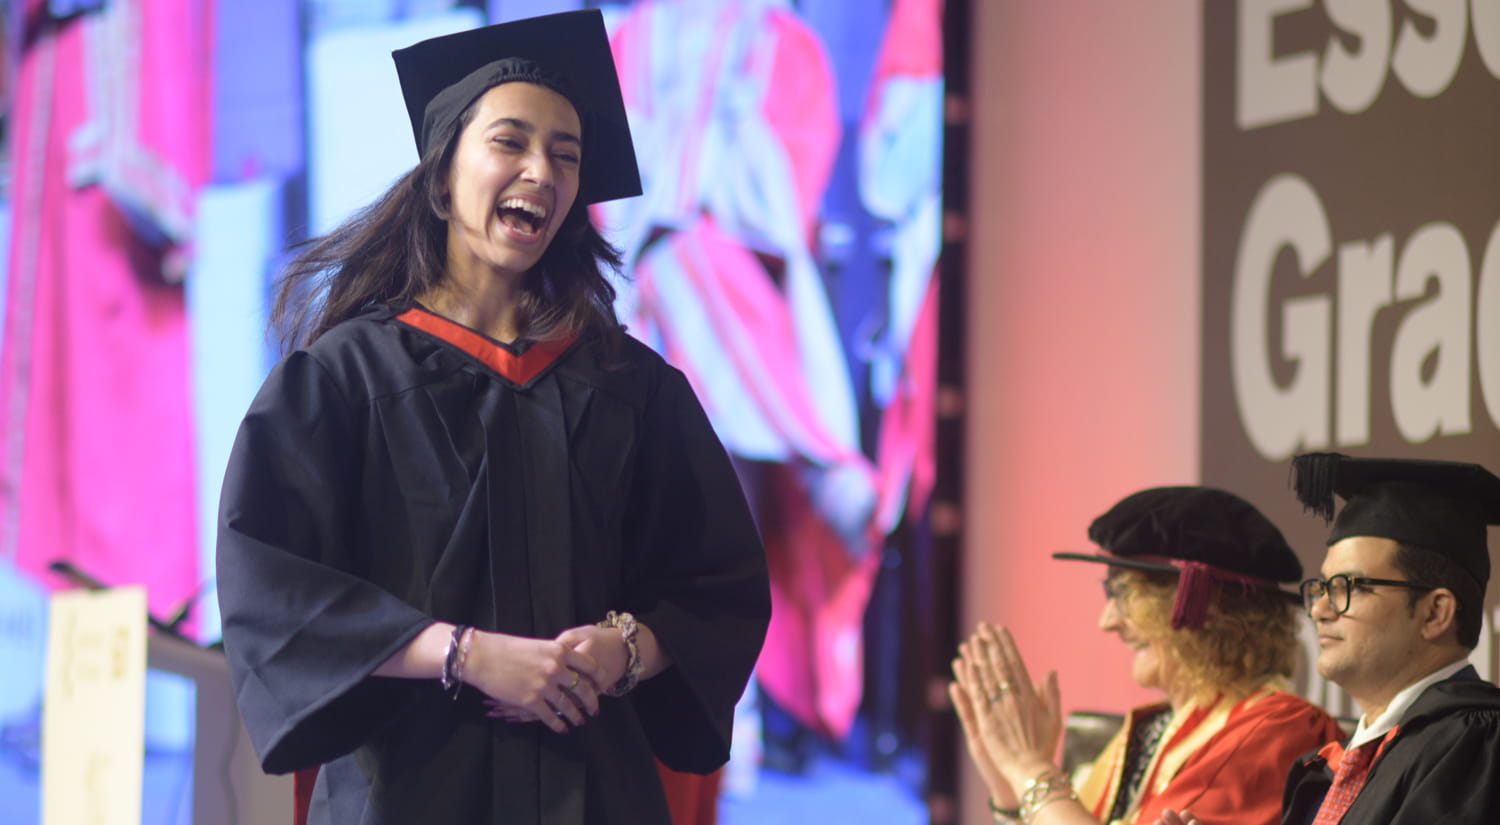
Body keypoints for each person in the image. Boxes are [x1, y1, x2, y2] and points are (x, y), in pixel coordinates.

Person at [214, 10, 771, 825]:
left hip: (596, 794)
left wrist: (622, 652)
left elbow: (717, 588)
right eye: (510, 142)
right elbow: (273, 589)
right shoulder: (342, 382)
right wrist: (468, 656)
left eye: (565, 155)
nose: (541, 171)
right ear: (443, 178)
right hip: (405, 791)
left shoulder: (632, 389)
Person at [949, 486, 1344, 825]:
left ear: (1199, 605)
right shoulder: (1151, 728)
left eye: (1121, 595)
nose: (1107, 621)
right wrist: (1010, 795)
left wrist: (1030, 770)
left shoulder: (1282, 730)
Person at [1272, 453, 1500, 824]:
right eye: (1322, 587)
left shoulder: (1473, 747)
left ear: (1435, 613)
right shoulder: (1334, 765)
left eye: (1348, 586)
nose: (1319, 610)